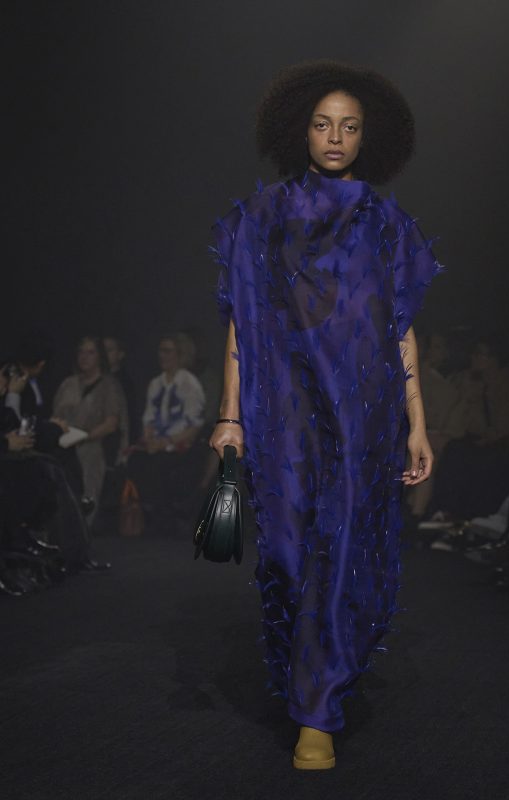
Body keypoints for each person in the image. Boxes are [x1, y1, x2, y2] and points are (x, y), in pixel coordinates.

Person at [208, 60, 442, 769]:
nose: (335, 137)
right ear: (300, 130)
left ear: (368, 137)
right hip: (283, 412)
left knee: (341, 554)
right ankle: (305, 676)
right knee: (284, 558)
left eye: (349, 126)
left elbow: (400, 328)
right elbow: (243, 321)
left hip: (363, 415)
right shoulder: (262, 217)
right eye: (322, 124)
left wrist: (417, 421)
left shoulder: (388, 225)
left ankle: (318, 711)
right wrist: (229, 415)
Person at [126, 333, 205, 532]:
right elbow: (149, 417)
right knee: (135, 460)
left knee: (162, 465)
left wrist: (166, 441)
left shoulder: (189, 384)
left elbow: (194, 425)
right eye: (161, 351)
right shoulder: (156, 383)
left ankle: (168, 520)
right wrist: (150, 439)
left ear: (180, 354)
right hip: (157, 442)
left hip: (181, 444)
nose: (162, 355)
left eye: (168, 351)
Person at [52, 335, 128, 524]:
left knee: (86, 496)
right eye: (81, 352)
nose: (84, 357)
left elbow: (112, 422)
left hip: (92, 449)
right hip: (64, 446)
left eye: (90, 352)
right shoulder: (68, 384)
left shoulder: (109, 386)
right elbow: (56, 416)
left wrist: (84, 437)